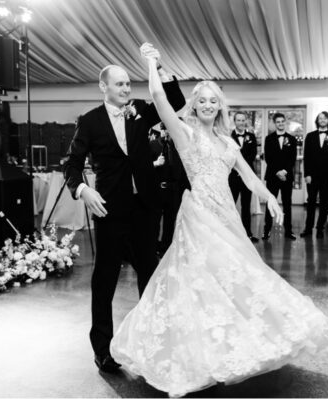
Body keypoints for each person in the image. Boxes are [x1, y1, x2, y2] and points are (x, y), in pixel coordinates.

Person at [110, 44, 328, 397]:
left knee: (235, 278)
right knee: (197, 282)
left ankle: (230, 345)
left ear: (221, 106)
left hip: (227, 215)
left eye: (215, 101)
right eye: (203, 100)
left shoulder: (228, 142)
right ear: (195, 103)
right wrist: (150, 63)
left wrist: (269, 196)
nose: (209, 105)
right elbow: (156, 94)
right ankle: (200, 355)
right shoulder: (184, 133)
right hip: (198, 215)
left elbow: (249, 177)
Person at [62, 46, 186, 374]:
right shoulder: (88, 122)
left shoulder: (141, 110)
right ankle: (102, 349)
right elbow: (72, 164)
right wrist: (83, 188)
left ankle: (152, 341)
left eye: (128, 84)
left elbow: (176, 103)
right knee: (105, 277)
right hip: (110, 211)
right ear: (103, 87)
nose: (126, 89)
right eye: (119, 84)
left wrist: (159, 67)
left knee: (151, 273)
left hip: (145, 207)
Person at [301, 111, 328, 238]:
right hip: (312, 176)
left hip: (327, 176)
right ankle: (308, 229)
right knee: (311, 202)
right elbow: (306, 156)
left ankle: (320, 229)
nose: (323, 120)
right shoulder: (310, 136)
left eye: (325, 118)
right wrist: (307, 174)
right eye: (320, 118)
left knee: (324, 203)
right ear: (317, 121)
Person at [149, 127, 190, 254]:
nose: (169, 132)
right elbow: (142, 167)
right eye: (166, 129)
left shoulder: (181, 147)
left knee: (170, 221)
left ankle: (166, 248)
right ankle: (152, 248)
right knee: (154, 221)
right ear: (163, 130)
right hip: (157, 189)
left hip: (174, 190)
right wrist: (155, 163)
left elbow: (185, 171)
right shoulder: (153, 145)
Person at [262, 113, 298, 240]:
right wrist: (277, 171)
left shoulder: (292, 139)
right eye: (278, 122)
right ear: (274, 123)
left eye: (282, 121)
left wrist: (284, 172)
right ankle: (266, 231)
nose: (281, 123)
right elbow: (268, 158)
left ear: (285, 122)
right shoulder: (269, 138)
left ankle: (289, 231)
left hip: (286, 177)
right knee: (270, 203)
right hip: (272, 176)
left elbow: (292, 158)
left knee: (287, 204)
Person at [229, 112, 259, 242]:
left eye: (243, 120)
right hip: (233, 176)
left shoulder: (251, 136)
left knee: (246, 206)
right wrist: (237, 168)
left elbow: (252, 155)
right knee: (231, 205)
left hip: (247, 176)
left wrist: (243, 169)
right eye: (238, 120)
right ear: (235, 122)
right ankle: (230, 233)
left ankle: (248, 233)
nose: (241, 123)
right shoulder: (228, 136)